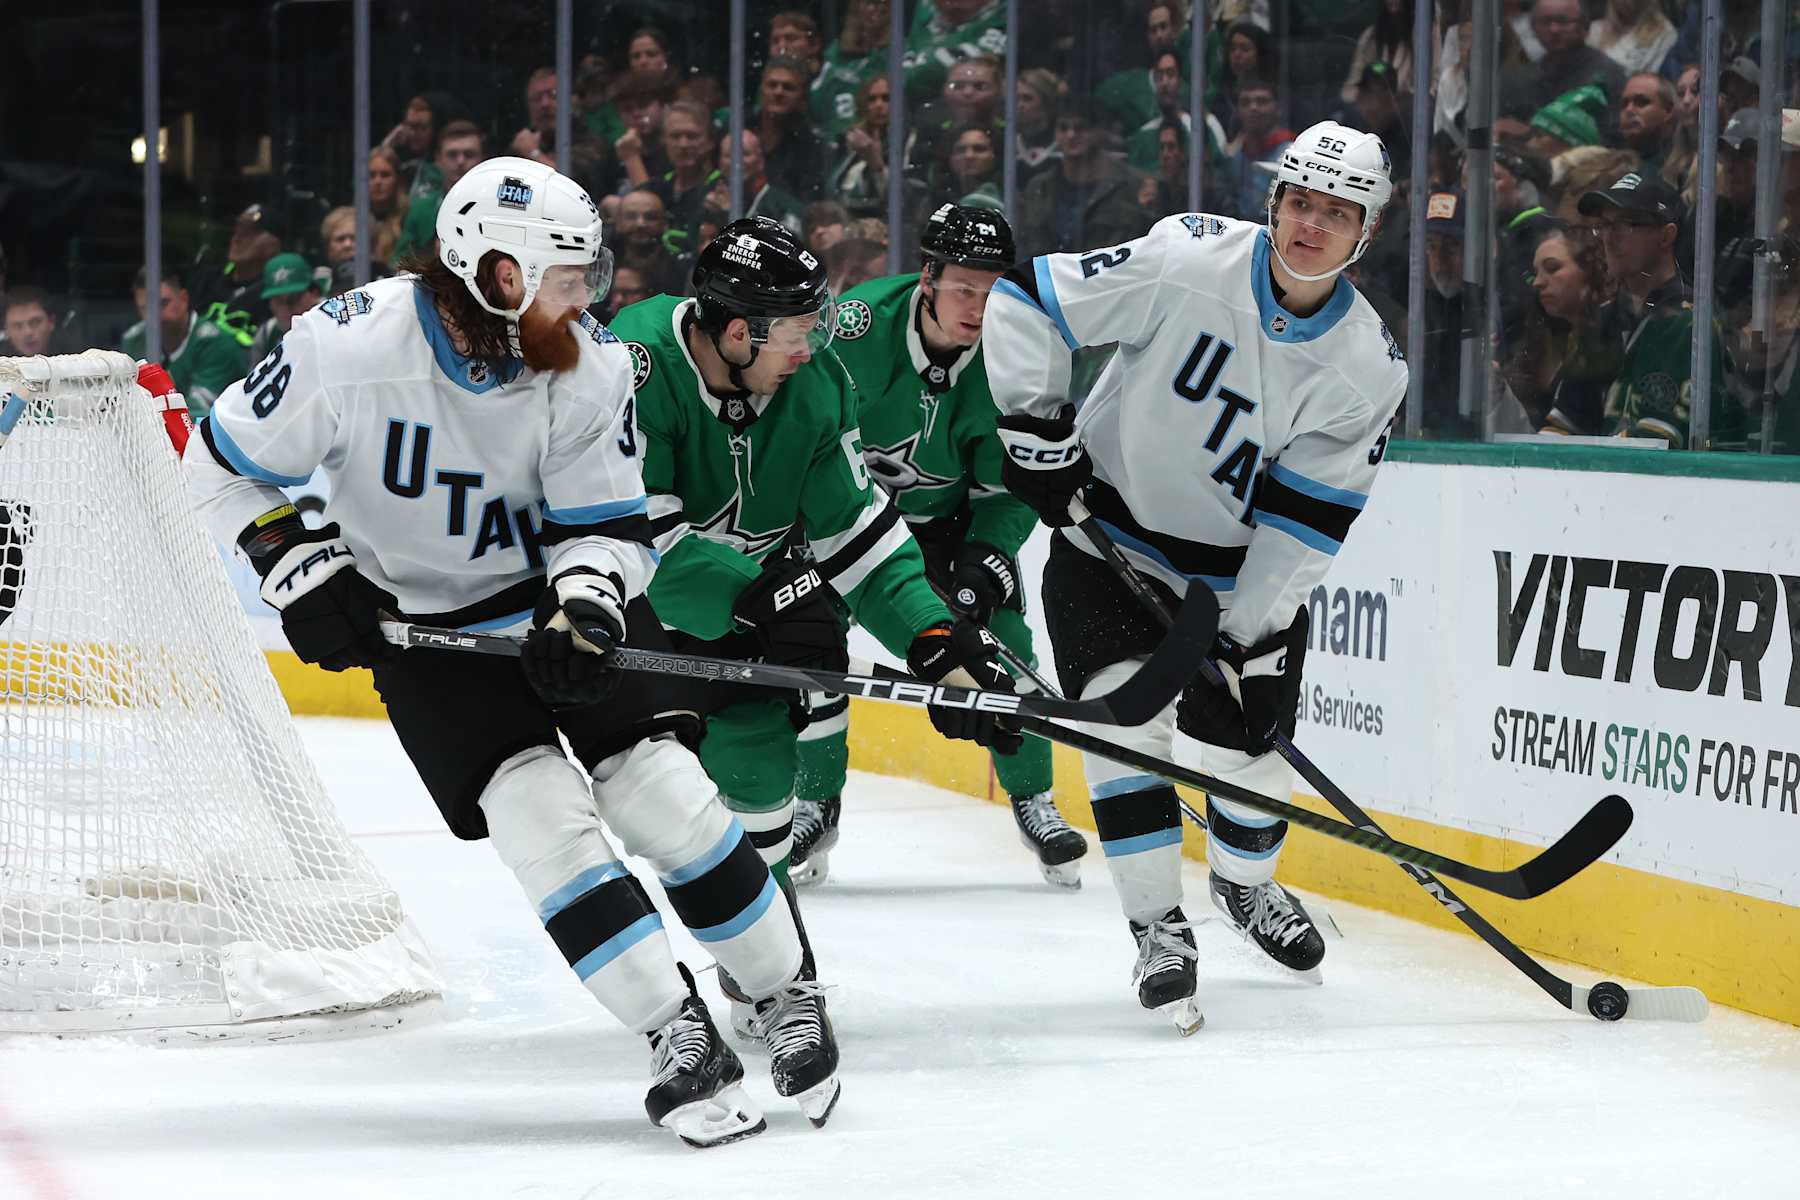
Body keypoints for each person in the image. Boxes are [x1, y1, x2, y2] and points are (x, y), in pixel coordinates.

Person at [183, 158, 837, 1143]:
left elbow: (612, 528)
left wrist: (586, 604)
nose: (589, 298)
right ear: (495, 271)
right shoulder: (344, 346)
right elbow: (220, 466)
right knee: (541, 822)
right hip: (431, 636)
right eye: (568, 276)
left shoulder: (590, 364)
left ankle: (786, 992)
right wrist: (302, 569)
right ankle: (677, 1033)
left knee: (658, 789)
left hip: (556, 605)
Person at [981, 122, 1407, 1028]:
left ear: (1366, 230)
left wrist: (1247, 634)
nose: (1312, 225)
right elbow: (1027, 299)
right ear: (1274, 202)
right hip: (1107, 544)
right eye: (1300, 202)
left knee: (1243, 757)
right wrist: (1034, 426)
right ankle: (1157, 926)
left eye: (1338, 212)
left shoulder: (1366, 366)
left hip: (1230, 582)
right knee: (1124, 727)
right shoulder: (1185, 257)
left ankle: (1245, 888)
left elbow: (1305, 525)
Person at [606, 216, 1019, 1032]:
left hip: (739, 610)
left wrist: (938, 645)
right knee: (635, 812)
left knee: (759, 792)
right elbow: (633, 535)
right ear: (733, 330)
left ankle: (767, 979)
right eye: (793, 332)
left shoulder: (816, 383)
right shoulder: (635, 365)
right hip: (628, 617)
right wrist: (756, 596)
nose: (810, 347)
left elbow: (859, 538)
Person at [789, 205, 1085, 888]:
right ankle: (815, 800)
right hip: (839, 519)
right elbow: (799, 430)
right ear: (927, 277)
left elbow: (1008, 487)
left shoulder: (1015, 355)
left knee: (1000, 636)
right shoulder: (856, 330)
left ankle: (1033, 797)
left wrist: (988, 554)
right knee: (807, 646)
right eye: (963, 288)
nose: (978, 308)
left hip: (945, 530)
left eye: (992, 290)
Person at [1579, 173, 1704, 446]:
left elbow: (1652, 447)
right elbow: (1563, 426)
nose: (1608, 238)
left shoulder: (1689, 323)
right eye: (1604, 225)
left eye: (1624, 225)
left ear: (1666, 236)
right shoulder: (1602, 319)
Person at [1500, 223, 1618, 434]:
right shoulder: (1536, 341)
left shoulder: (1617, 339)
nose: (1537, 283)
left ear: (1592, 269)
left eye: (1553, 268)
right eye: (1535, 273)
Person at [121, 266, 246, 418]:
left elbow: (200, 412)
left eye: (163, 303)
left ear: (184, 299)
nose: (155, 315)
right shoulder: (134, 340)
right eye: (146, 308)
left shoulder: (216, 343)